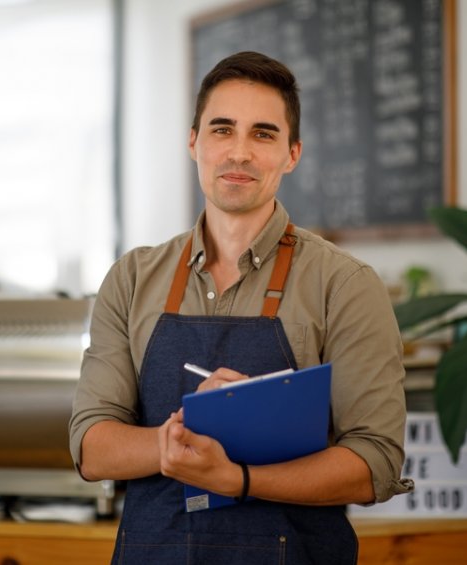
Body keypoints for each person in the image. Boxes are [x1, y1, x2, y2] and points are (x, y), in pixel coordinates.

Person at [69, 51, 412, 564]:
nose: (239, 153)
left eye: (264, 134)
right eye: (222, 130)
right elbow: (92, 445)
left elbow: (375, 462)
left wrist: (239, 479)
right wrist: (178, 437)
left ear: (292, 153)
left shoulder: (345, 284)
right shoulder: (132, 278)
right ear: (194, 142)